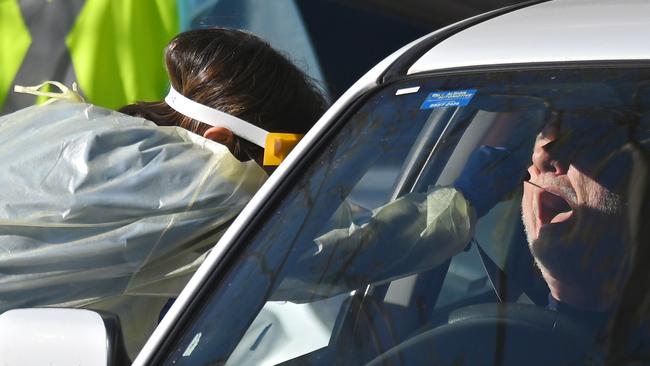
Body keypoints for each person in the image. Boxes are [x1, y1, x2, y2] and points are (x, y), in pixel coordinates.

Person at [0, 27, 327, 357]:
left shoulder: (71, 123)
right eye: (284, 157)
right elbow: (321, 266)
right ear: (221, 137)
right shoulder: (198, 191)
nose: (291, 180)